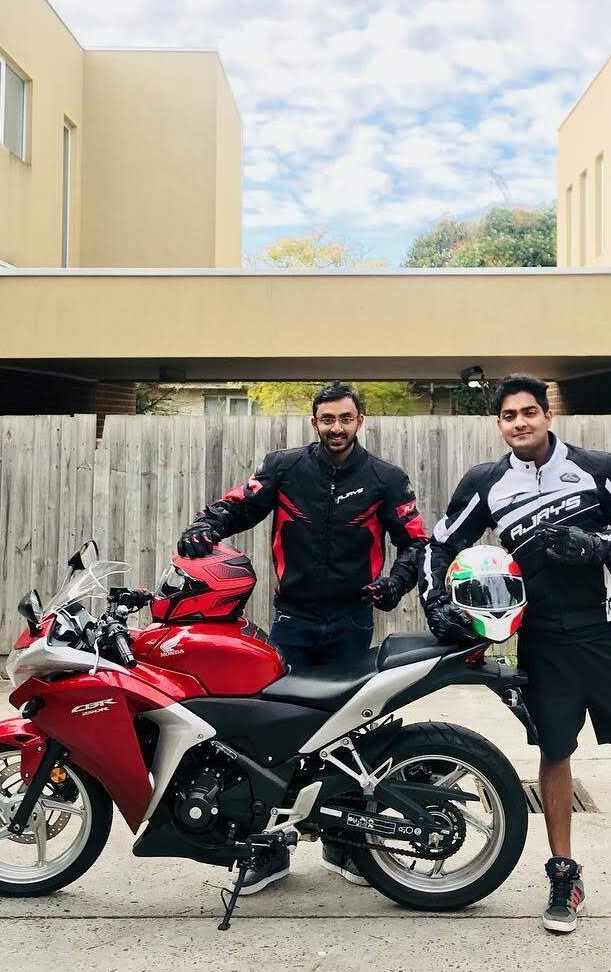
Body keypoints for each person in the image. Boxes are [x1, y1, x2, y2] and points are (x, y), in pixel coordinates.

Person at [420, 374, 611, 935]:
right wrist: (437, 605)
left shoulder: (598, 469)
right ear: (498, 423)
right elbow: (440, 544)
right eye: (509, 416)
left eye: (530, 412)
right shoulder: (486, 483)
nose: (520, 423)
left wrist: (598, 546)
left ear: (547, 415)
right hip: (543, 642)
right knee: (555, 755)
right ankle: (564, 874)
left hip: (605, 637)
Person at [177, 380, 428, 893]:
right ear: (314, 422)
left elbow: (416, 544)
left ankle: (349, 847)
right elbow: (238, 506)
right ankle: (267, 852)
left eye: (346, 419)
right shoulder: (285, 467)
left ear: (360, 422)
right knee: (273, 739)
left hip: (354, 623)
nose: (336, 428)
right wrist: (205, 528)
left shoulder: (386, 478)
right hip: (292, 621)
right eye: (327, 419)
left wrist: (394, 586)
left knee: (351, 739)